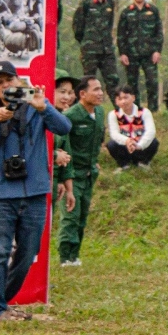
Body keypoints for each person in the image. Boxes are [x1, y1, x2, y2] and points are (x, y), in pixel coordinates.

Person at [0, 60, 73, 320]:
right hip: (3, 194)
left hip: (36, 193)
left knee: (28, 253)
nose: (5, 86)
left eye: (9, 80)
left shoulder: (36, 105)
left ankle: (1, 301)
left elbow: (64, 128)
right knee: (0, 252)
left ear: (19, 81)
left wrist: (44, 108)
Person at [56, 76, 106, 267]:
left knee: (83, 216)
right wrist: (63, 177)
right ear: (82, 94)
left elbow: (98, 140)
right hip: (72, 174)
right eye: (96, 90)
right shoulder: (70, 116)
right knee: (70, 216)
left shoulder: (100, 113)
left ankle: (75, 256)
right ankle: (65, 257)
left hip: (89, 174)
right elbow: (62, 145)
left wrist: (95, 163)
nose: (100, 93)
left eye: (101, 89)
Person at [115, 0, 163, 112]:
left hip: (149, 53)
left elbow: (159, 32)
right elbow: (121, 34)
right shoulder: (126, 12)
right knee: (132, 84)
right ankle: (136, 109)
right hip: (131, 54)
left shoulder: (152, 11)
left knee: (152, 81)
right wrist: (123, 53)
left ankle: (153, 109)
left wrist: (157, 51)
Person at [73, 0, 118, 96]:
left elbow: (109, 24)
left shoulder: (110, 3)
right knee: (89, 81)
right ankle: (86, 109)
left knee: (113, 80)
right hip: (90, 50)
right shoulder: (86, 3)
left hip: (106, 49)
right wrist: (86, 42)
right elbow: (78, 26)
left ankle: (119, 112)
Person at [105, 87, 159, 169]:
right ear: (116, 101)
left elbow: (150, 131)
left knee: (154, 142)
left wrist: (139, 145)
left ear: (133, 98)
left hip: (140, 146)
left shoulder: (144, 112)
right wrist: (127, 141)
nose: (123, 101)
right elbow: (114, 133)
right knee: (111, 144)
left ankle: (143, 162)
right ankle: (124, 164)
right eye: (119, 99)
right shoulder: (113, 114)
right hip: (125, 146)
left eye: (126, 97)